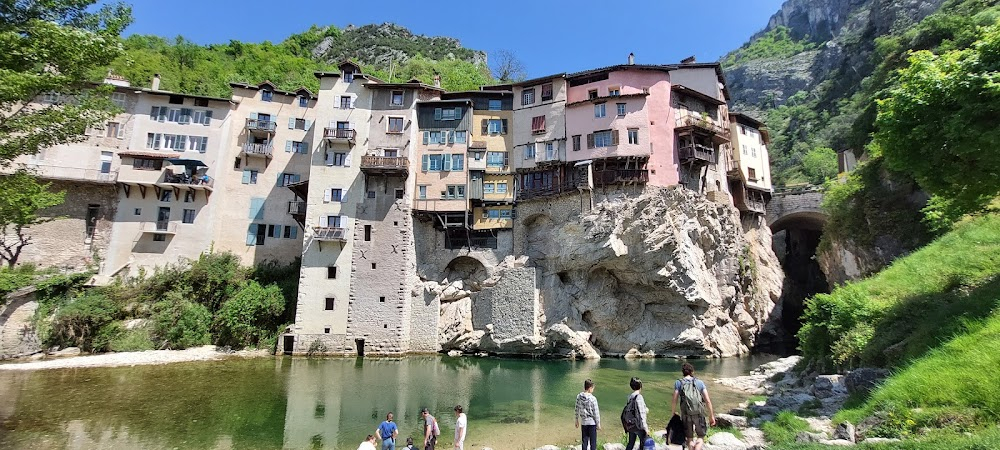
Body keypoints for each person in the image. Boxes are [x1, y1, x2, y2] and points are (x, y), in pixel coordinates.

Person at [671, 363, 716, 450]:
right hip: (699, 413)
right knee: (701, 436)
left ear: (683, 372)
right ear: (692, 372)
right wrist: (711, 415)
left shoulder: (678, 383)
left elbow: (674, 400)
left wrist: (673, 413)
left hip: (686, 414)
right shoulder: (699, 382)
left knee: (689, 438)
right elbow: (707, 400)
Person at [575, 378, 601, 450]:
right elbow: (596, 412)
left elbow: (577, 408)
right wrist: (598, 423)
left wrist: (576, 419)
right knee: (593, 443)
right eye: (593, 388)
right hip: (592, 423)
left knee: (584, 441)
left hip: (584, 422)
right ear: (590, 388)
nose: (593, 390)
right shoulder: (593, 399)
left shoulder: (579, 397)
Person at [624, 377, 649, 450]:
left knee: (631, 443)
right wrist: (645, 427)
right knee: (643, 442)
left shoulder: (630, 397)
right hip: (638, 424)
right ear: (640, 386)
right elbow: (641, 413)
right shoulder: (639, 397)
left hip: (631, 424)